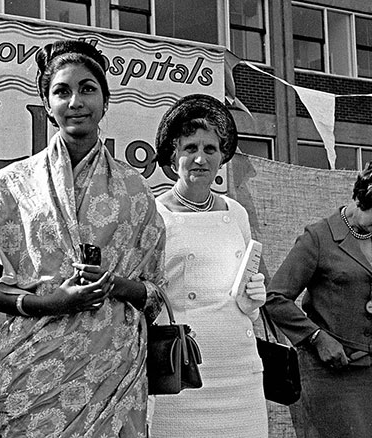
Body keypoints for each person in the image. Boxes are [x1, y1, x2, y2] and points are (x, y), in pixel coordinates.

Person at [0, 39, 166, 437]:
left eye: (87, 88)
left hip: (114, 367)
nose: (75, 101)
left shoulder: (135, 189)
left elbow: (156, 293)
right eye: (62, 91)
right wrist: (47, 302)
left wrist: (114, 284)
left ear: (106, 101)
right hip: (35, 368)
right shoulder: (8, 187)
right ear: (47, 104)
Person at [264, 156, 372, 437]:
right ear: (363, 198)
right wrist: (316, 337)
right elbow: (276, 298)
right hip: (328, 373)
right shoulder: (318, 237)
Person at [149, 94, 269, 437]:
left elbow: (245, 279)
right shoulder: (155, 214)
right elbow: (146, 293)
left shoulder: (237, 214)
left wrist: (253, 296)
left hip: (238, 364)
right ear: (174, 155)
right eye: (190, 148)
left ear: (223, 156)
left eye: (210, 149)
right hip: (182, 367)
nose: (200, 158)